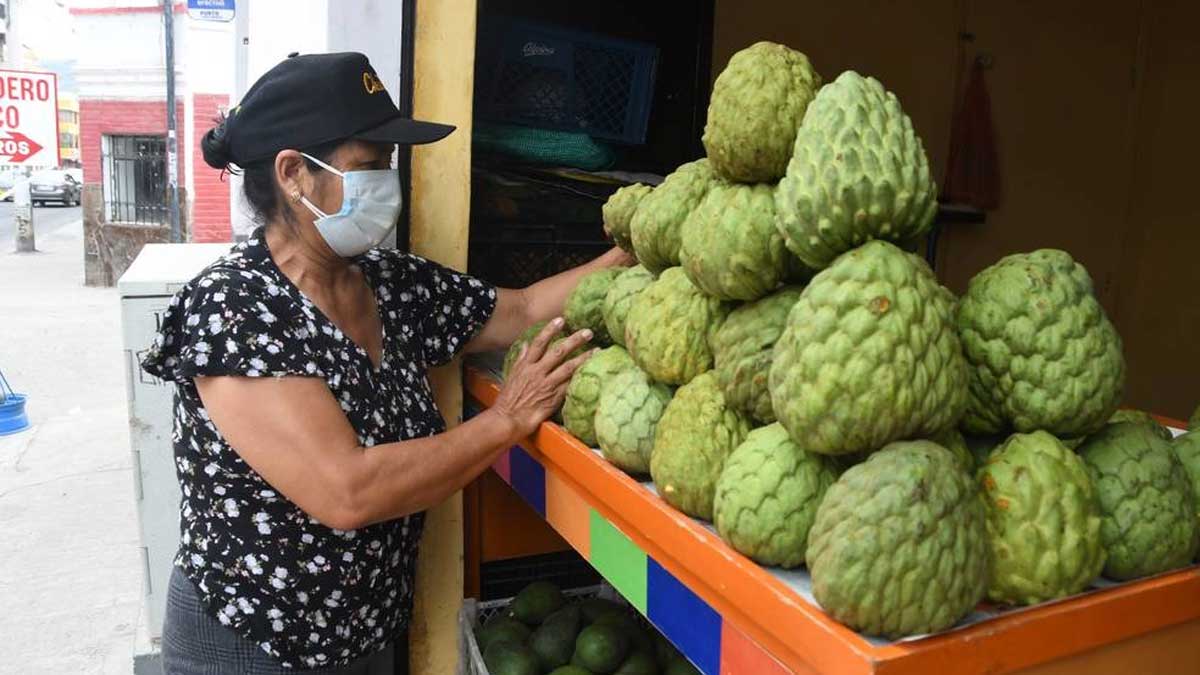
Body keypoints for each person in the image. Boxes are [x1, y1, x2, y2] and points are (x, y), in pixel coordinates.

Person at [142, 52, 632, 674]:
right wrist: (507, 418)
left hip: (367, 634)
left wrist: (635, 247)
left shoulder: (390, 284)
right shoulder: (235, 308)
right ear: (294, 173)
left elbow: (526, 307)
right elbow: (347, 489)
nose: (386, 185)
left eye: (389, 166)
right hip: (253, 645)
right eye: (368, 166)